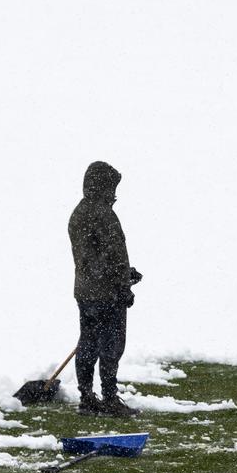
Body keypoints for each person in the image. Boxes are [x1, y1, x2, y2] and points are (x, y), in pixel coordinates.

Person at [67, 161, 143, 418]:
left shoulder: (78, 213)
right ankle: (109, 398)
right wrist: (123, 285)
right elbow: (113, 254)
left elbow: (92, 257)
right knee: (111, 346)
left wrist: (124, 273)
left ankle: (87, 397)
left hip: (85, 291)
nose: (114, 193)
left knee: (87, 343)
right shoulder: (103, 214)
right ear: (103, 186)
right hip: (107, 293)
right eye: (112, 187)